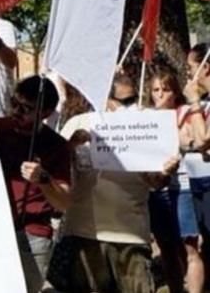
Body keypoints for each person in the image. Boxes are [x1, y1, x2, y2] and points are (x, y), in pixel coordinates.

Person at [50, 84, 180, 293]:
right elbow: (53, 166)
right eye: (123, 101)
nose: (128, 107)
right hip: (83, 233)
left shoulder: (146, 125)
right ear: (106, 99)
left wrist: (165, 172)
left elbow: (155, 182)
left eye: (132, 100)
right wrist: (71, 145)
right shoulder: (79, 122)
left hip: (130, 236)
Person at [0, 76, 71, 293]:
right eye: (14, 103)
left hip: (32, 235)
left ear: (47, 113)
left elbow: (63, 202)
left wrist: (44, 180)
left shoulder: (56, 146)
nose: (17, 112)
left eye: (27, 108)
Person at [147, 68, 207, 293]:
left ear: (175, 92)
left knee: (189, 248)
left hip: (182, 186)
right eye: (155, 90)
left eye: (165, 89)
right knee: (166, 249)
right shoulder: (147, 118)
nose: (160, 94)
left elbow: (192, 139)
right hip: (156, 188)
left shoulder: (184, 112)